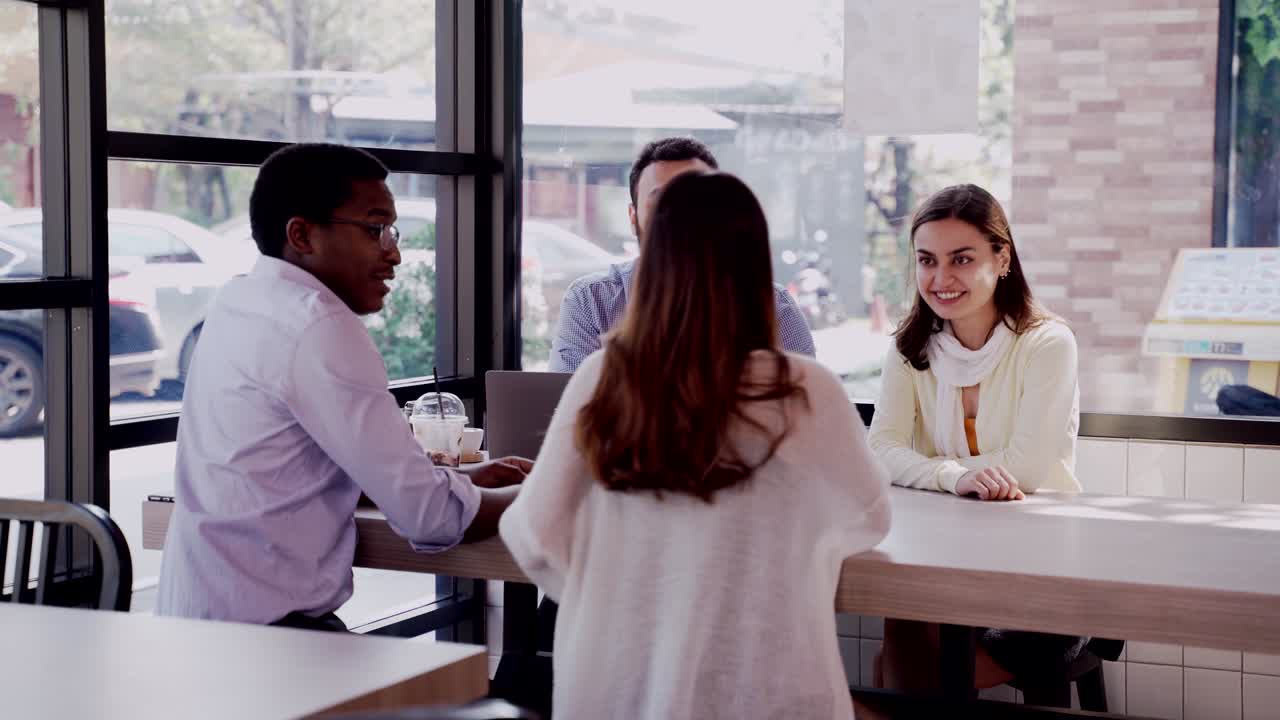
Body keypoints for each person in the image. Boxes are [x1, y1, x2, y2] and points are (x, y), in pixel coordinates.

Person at [499, 171, 891, 719]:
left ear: (654, 265)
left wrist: (629, 601)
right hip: (763, 693)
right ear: (759, 266)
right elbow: (869, 517)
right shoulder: (806, 389)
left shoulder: (603, 378)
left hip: (619, 695)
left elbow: (532, 534)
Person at [156, 143, 529, 630]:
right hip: (272, 644)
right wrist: (550, 490)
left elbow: (291, 476)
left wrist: (461, 482)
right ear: (302, 235)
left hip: (194, 622)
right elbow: (430, 517)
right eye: (375, 229)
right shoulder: (318, 325)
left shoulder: (240, 300)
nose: (394, 252)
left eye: (391, 230)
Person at [867, 183, 1082, 692]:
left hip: (1043, 572)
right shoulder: (908, 348)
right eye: (926, 260)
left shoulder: (1047, 343)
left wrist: (929, 470)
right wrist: (953, 476)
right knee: (900, 625)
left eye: (961, 259)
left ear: (1001, 258)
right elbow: (880, 451)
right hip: (944, 556)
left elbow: (1025, 467)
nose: (940, 278)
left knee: (901, 672)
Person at [548, 136, 817, 372]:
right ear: (633, 217)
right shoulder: (592, 302)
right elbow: (563, 411)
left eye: (698, 203)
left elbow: (805, 410)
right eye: (661, 203)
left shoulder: (773, 308)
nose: (678, 219)